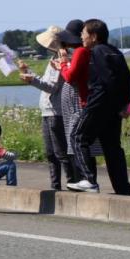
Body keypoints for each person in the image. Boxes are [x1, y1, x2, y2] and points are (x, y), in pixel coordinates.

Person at [66, 19, 130, 195]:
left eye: (84, 34)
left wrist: (99, 102)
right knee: (112, 146)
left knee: (78, 137)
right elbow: (128, 79)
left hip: (98, 104)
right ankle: (123, 187)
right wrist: (124, 104)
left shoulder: (97, 51)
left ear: (94, 36)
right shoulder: (115, 51)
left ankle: (89, 180)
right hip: (114, 108)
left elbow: (107, 80)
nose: (81, 37)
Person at [19, 26, 75, 190]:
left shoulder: (60, 59)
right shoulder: (58, 57)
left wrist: (31, 79)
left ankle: (71, 183)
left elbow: (51, 87)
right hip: (49, 111)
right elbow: (47, 82)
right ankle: (56, 185)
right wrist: (28, 72)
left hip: (55, 112)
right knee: (52, 153)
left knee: (59, 152)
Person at [55, 19, 100, 186]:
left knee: (77, 141)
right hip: (81, 103)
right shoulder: (86, 52)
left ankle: (86, 180)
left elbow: (69, 76)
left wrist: (63, 63)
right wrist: (64, 65)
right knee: (80, 142)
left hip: (78, 103)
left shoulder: (81, 52)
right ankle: (86, 180)